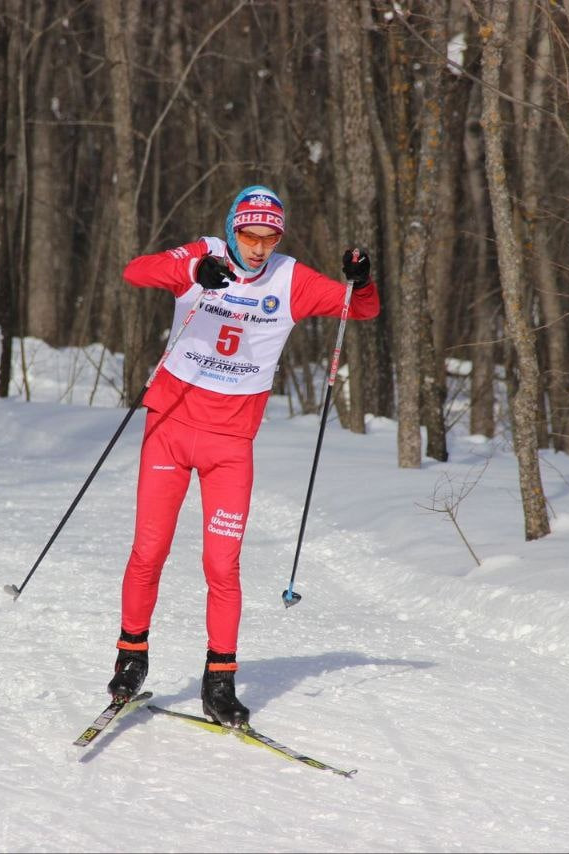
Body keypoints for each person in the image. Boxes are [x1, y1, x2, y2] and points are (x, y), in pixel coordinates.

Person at [106, 184, 380, 727]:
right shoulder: (202, 252)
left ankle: (220, 683)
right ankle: (130, 658)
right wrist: (192, 274)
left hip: (231, 445)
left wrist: (362, 278)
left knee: (222, 565)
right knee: (149, 550)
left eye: (268, 236)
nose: (257, 247)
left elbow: (361, 310)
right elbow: (135, 271)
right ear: (233, 228)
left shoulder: (291, 279)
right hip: (169, 426)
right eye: (249, 235)